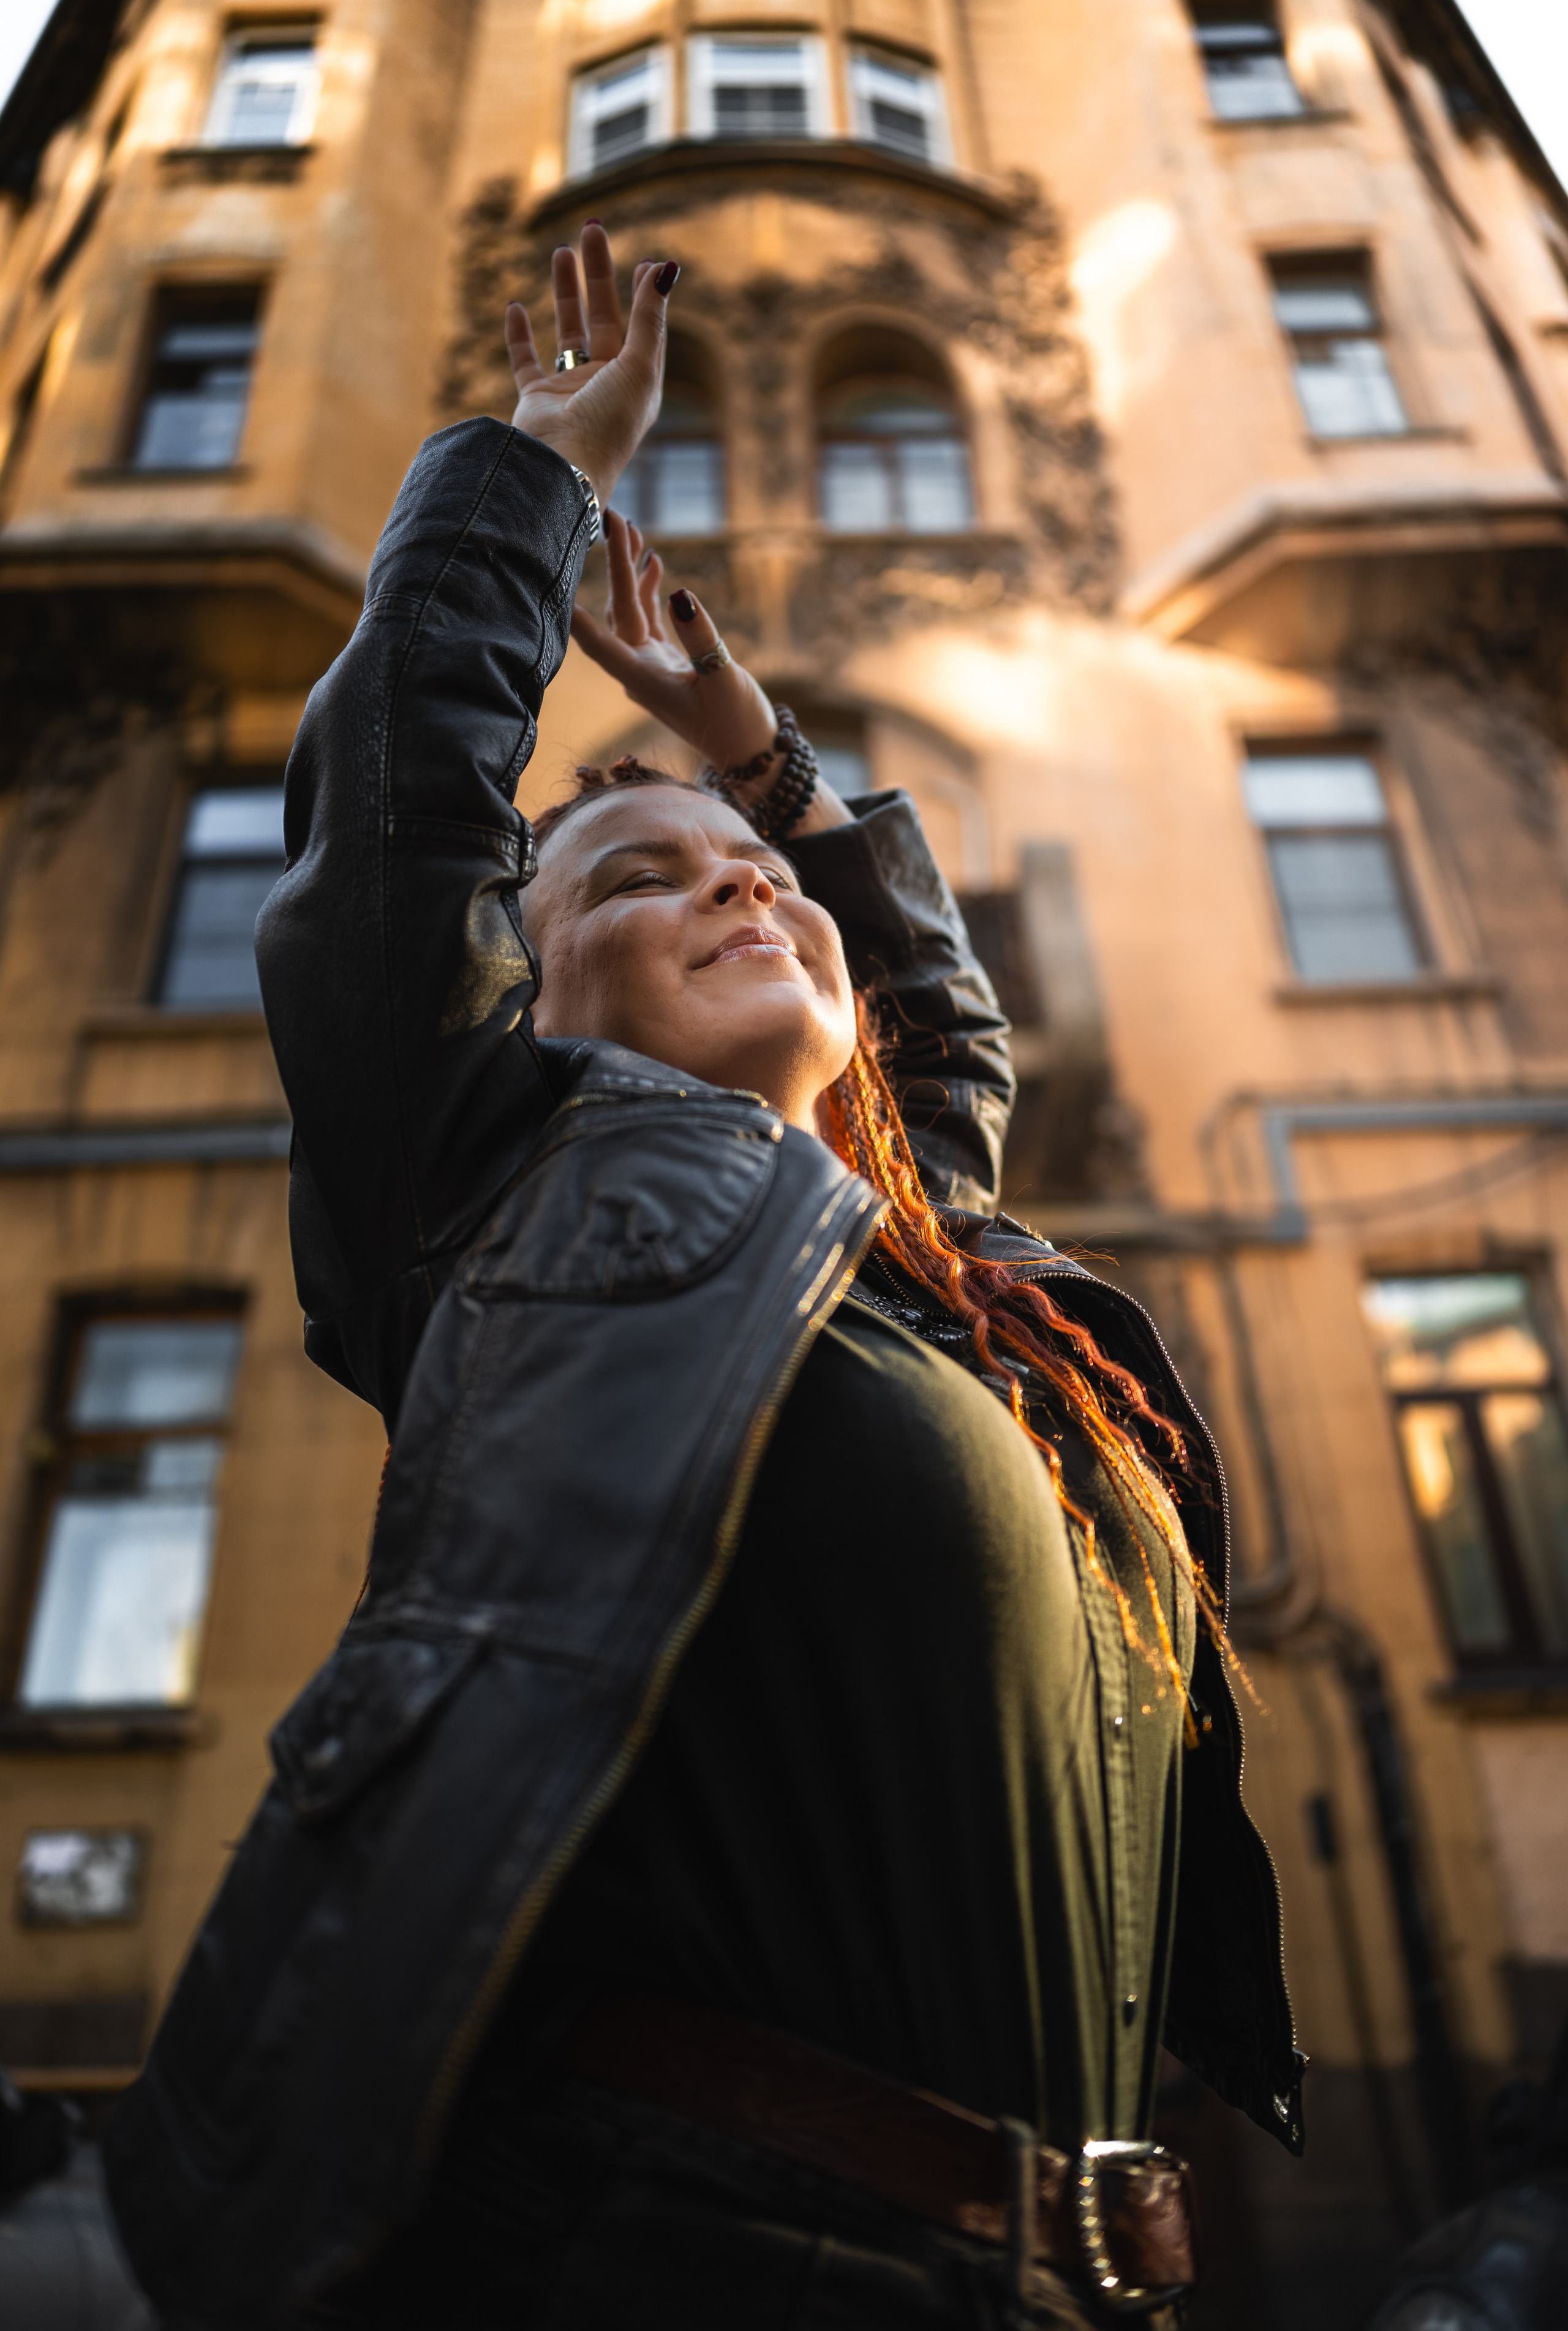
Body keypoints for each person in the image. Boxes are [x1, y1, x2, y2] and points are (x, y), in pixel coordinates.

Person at [103, 222, 1302, 2331]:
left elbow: (949, 1025)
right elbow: (393, 828)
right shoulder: (506, 1187)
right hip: (689, 2260)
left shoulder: (919, 1262)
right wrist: (523, 475)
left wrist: (759, 750)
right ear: (522, 993)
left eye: (760, 878)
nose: (743, 884)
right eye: (634, 880)